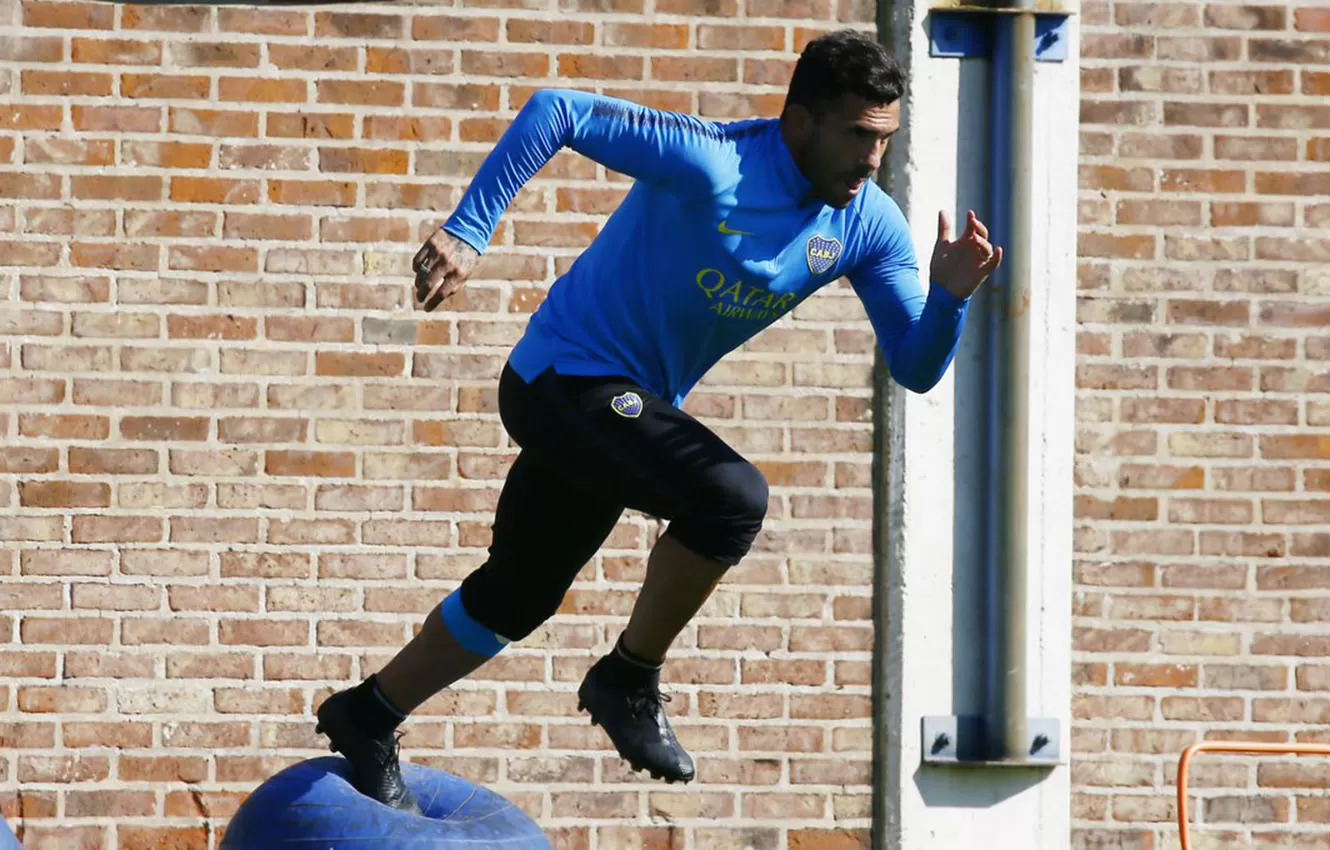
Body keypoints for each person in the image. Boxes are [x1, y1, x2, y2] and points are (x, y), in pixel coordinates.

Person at [313, 28, 1003, 811]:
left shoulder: (867, 225)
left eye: (885, 140)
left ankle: (367, 713)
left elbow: (915, 366)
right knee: (730, 495)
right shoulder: (712, 160)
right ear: (801, 123)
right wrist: (470, 229)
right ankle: (628, 677)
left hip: (617, 411)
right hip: (557, 379)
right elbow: (557, 111)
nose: (872, 160)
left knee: (518, 597)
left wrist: (949, 297)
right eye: (858, 136)